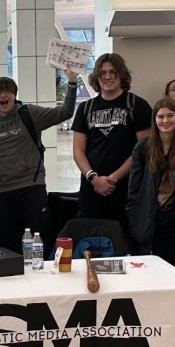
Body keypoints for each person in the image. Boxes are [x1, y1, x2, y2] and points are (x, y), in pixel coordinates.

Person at [0, 71, 77, 252]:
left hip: (31, 188)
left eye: (7, 91)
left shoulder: (29, 113)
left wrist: (72, 82)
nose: (3, 95)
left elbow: (65, 112)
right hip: (2, 193)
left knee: (38, 243)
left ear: (14, 95)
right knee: (7, 246)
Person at [72, 53, 152, 228]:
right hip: (91, 189)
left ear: (121, 74)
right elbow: (78, 151)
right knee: (94, 243)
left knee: (125, 242)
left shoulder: (137, 105)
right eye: (103, 73)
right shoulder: (85, 108)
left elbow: (144, 150)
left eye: (113, 72)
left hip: (126, 188)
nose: (108, 77)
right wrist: (94, 178)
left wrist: (113, 179)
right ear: (97, 77)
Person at [126, 99, 175, 278]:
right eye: (160, 116)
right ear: (154, 119)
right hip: (151, 222)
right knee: (152, 277)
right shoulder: (143, 147)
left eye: (170, 115)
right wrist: (134, 218)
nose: (165, 120)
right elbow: (133, 190)